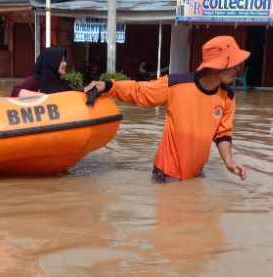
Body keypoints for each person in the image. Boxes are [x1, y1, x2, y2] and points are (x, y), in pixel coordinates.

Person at [86, 35, 250, 182]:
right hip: (167, 173)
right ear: (217, 65)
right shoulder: (176, 84)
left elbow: (223, 132)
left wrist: (228, 161)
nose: (238, 69)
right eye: (234, 64)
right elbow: (139, 91)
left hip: (196, 173)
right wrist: (107, 85)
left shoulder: (228, 96)